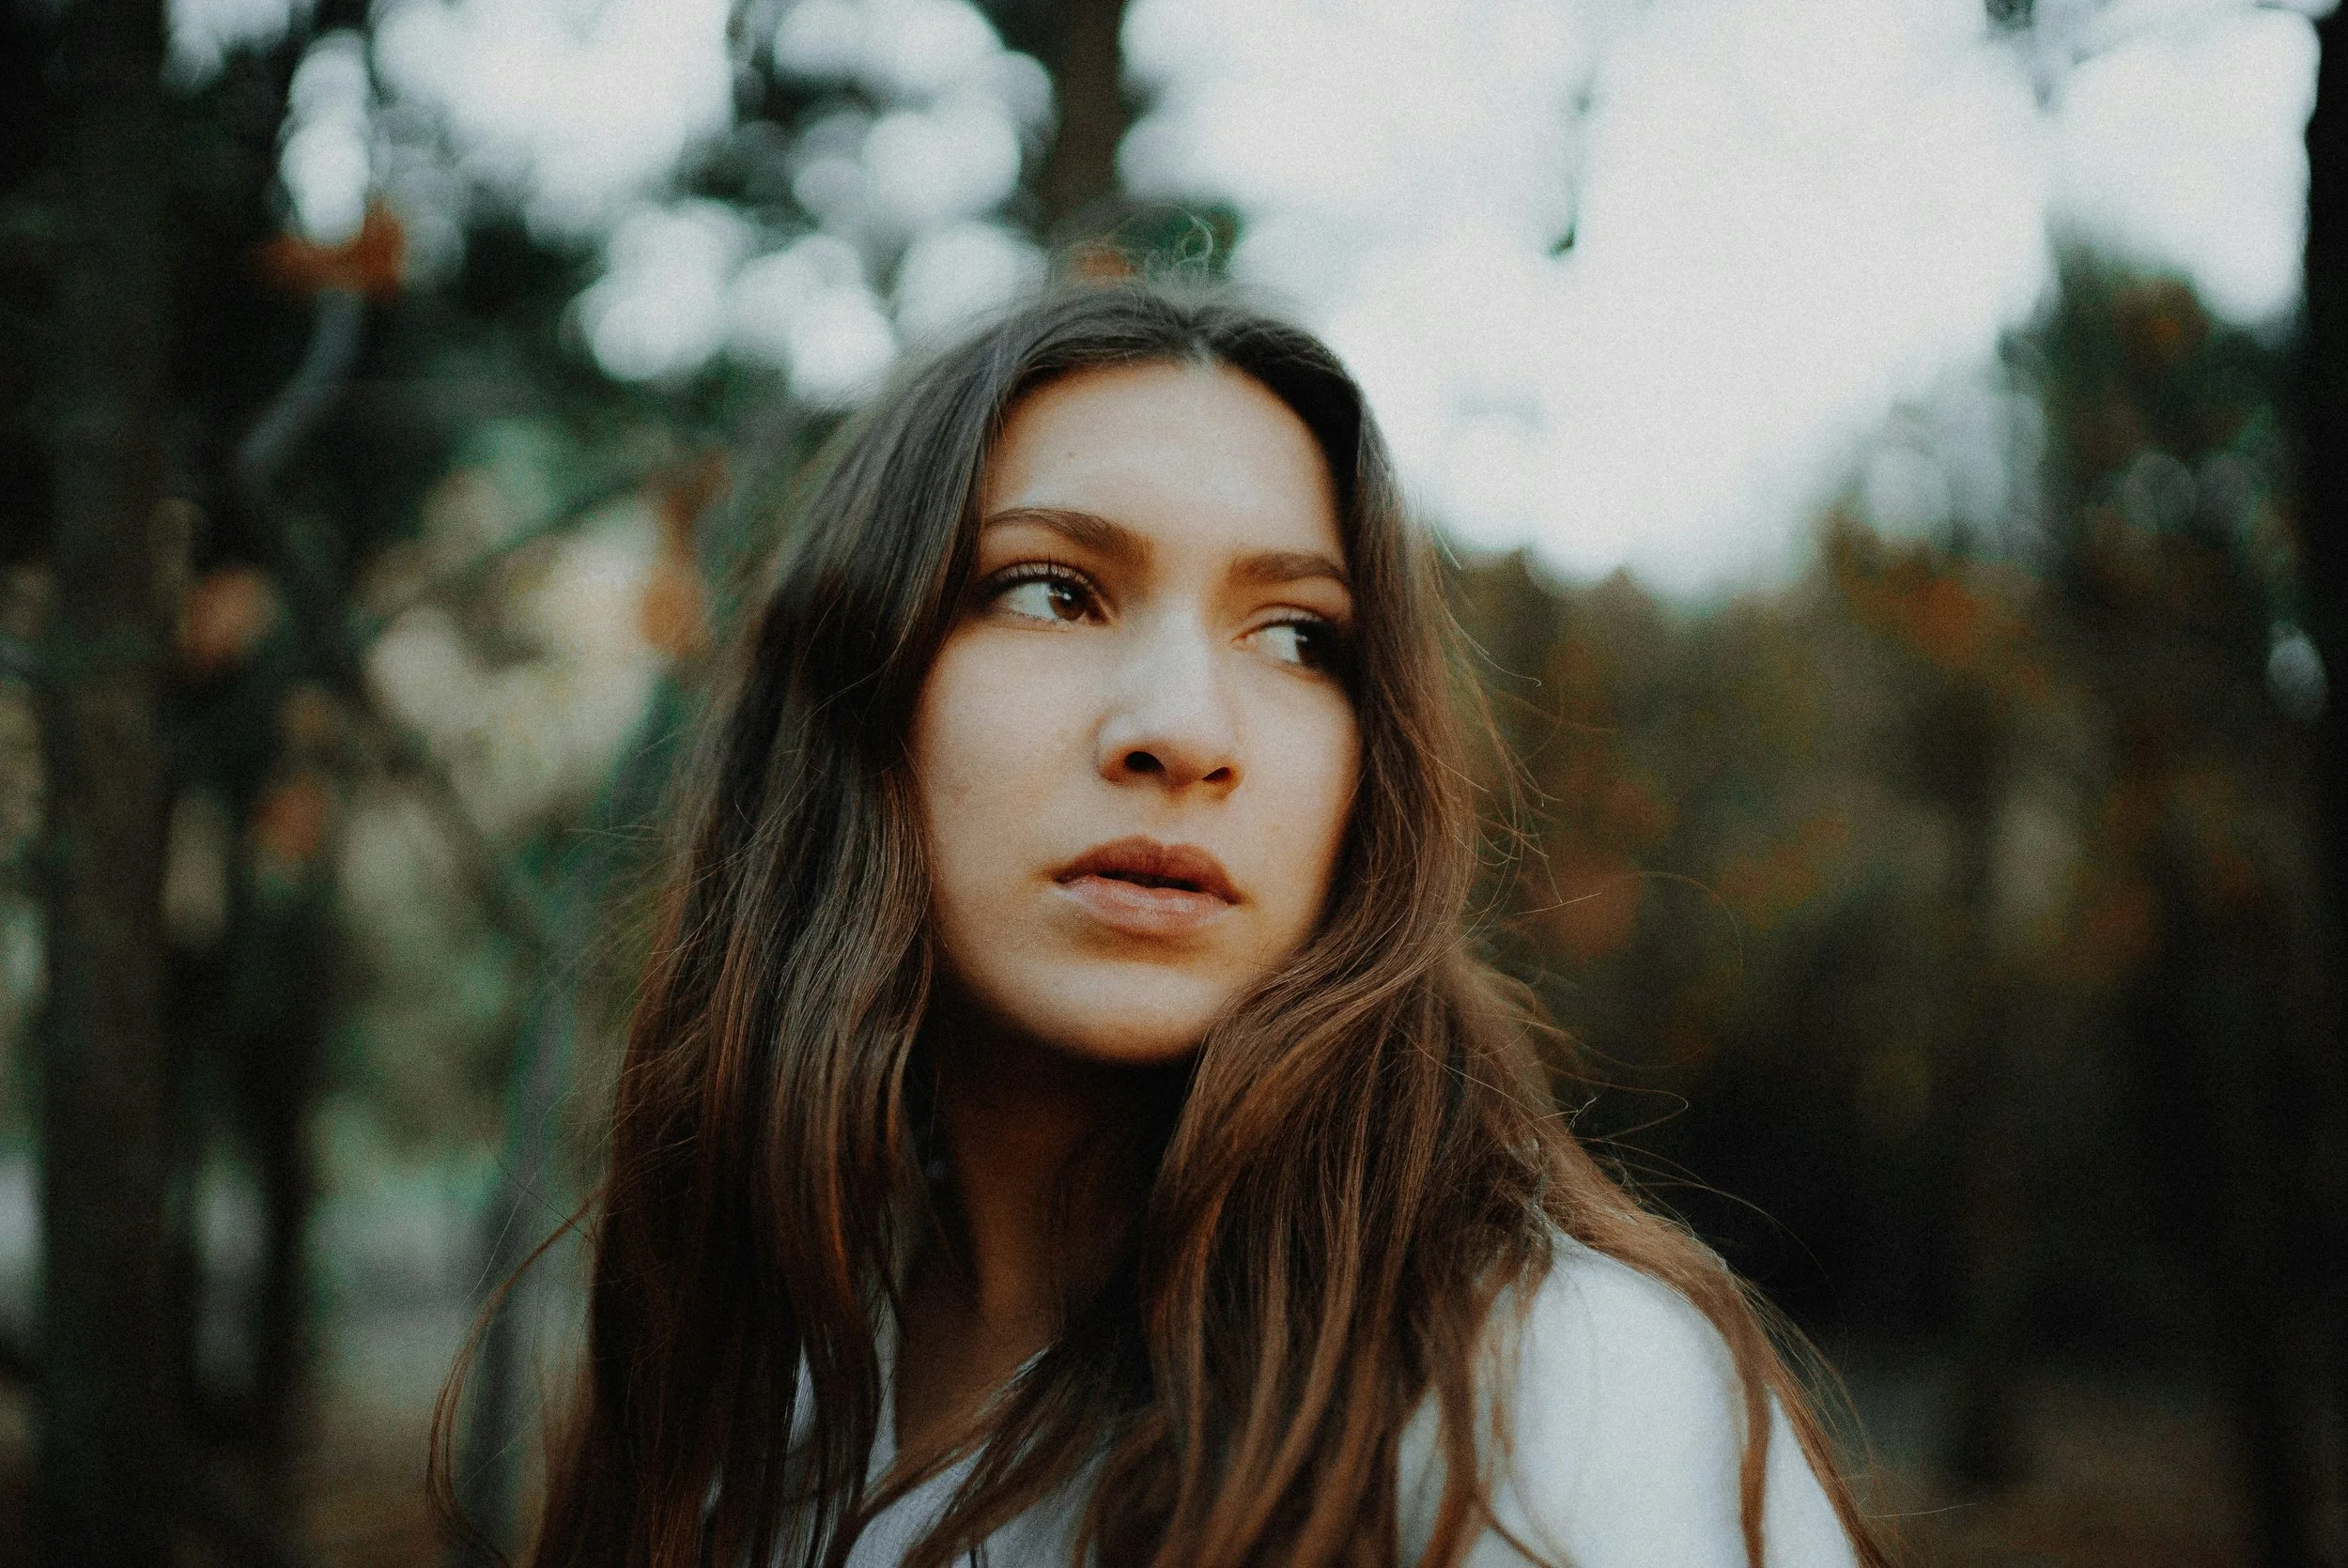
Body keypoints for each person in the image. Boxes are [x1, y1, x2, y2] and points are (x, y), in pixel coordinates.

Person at [445, 282, 1892, 1567]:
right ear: (859, 701)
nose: (1187, 731)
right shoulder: (761, 1409)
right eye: (1052, 591)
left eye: (1295, 635)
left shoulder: (1548, 1394)